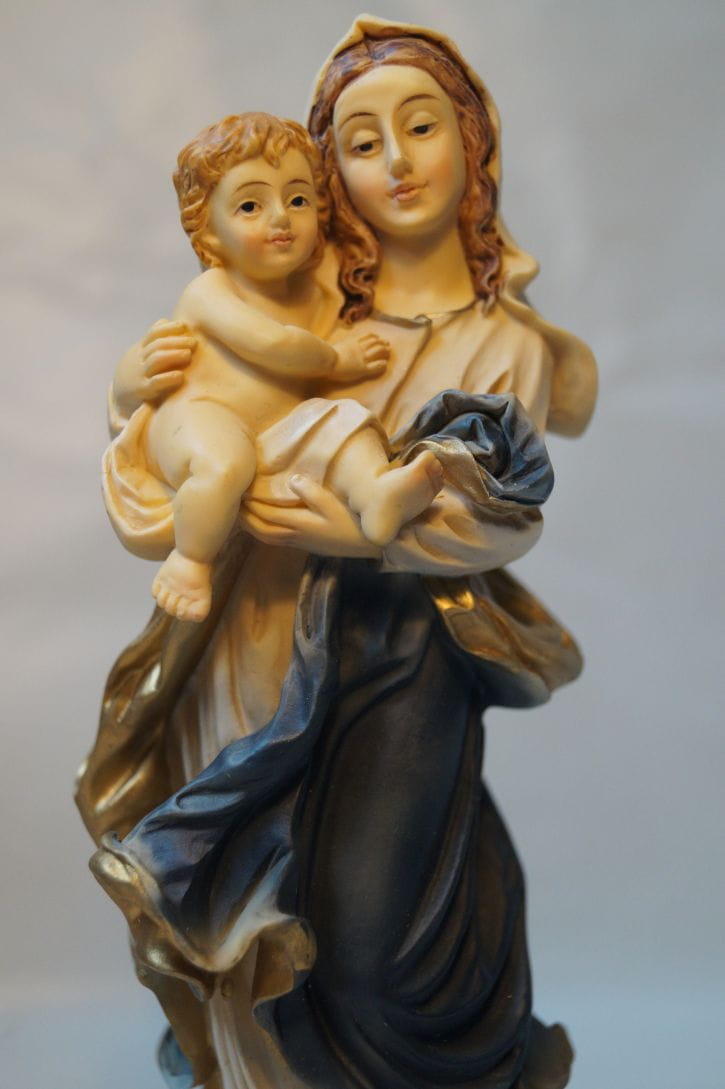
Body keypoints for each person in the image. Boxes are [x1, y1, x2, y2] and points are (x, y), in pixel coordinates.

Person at [77, 16, 597, 1089]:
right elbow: (185, 424)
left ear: (473, 143)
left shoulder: (501, 338)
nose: (396, 162)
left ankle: (451, 1056)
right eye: (361, 143)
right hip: (261, 638)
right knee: (259, 891)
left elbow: (505, 518)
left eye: (422, 127)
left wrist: (350, 529)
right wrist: (132, 390)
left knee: (366, 936)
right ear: (330, 173)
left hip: (408, 651)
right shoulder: (309, 286)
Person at [105, 111, 442, 623]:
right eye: (250, 205)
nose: (281, 218)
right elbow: (273, 345)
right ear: (208, 232)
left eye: (298, 200)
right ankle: (190, 562)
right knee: (225, 464)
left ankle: (376, 494)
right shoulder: (209, 291)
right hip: (198, 418)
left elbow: (319, 370)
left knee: (342, 422)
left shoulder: (315, 298)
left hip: (274, 432)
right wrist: (340, 359)